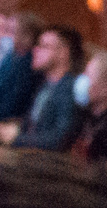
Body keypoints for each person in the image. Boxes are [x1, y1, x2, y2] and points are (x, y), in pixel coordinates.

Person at [6, 24, 87, 152]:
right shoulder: (46, 84)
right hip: (27, 155)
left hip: (44, 164)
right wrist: (13, 130)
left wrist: (16, 139)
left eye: (44, 46)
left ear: (63, 53)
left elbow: (59, 139)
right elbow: (32, 125)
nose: (35, 50)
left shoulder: (69, 90)